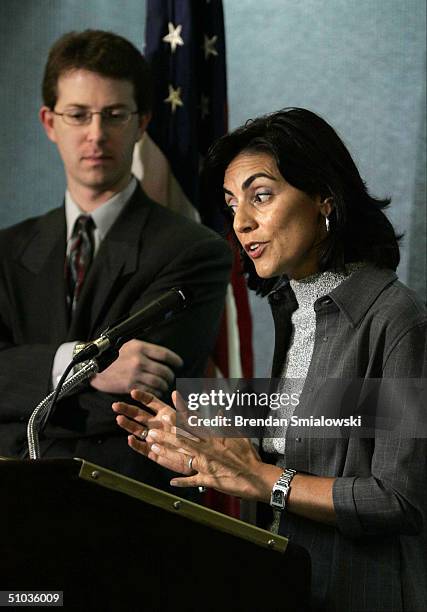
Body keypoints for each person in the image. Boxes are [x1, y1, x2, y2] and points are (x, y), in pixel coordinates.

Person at [113, 108, 427, 611]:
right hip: (284, 581)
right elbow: (308, 445)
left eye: (261, 196)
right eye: (231, 203)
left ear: (325, 197)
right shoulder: (293, 308)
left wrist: (263, 480)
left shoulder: (396, 318)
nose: (240, 222)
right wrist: (208, 457)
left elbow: (399, 499)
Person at [0, 30, 231, 489]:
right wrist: (85, 364)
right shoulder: (5, 251)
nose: (96, 134)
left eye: (114, 115)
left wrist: (18, 396)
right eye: (78, 115)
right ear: (49, 122)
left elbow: (144, 408)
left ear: (142, 122)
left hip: (126, 514)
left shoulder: (196, 249)